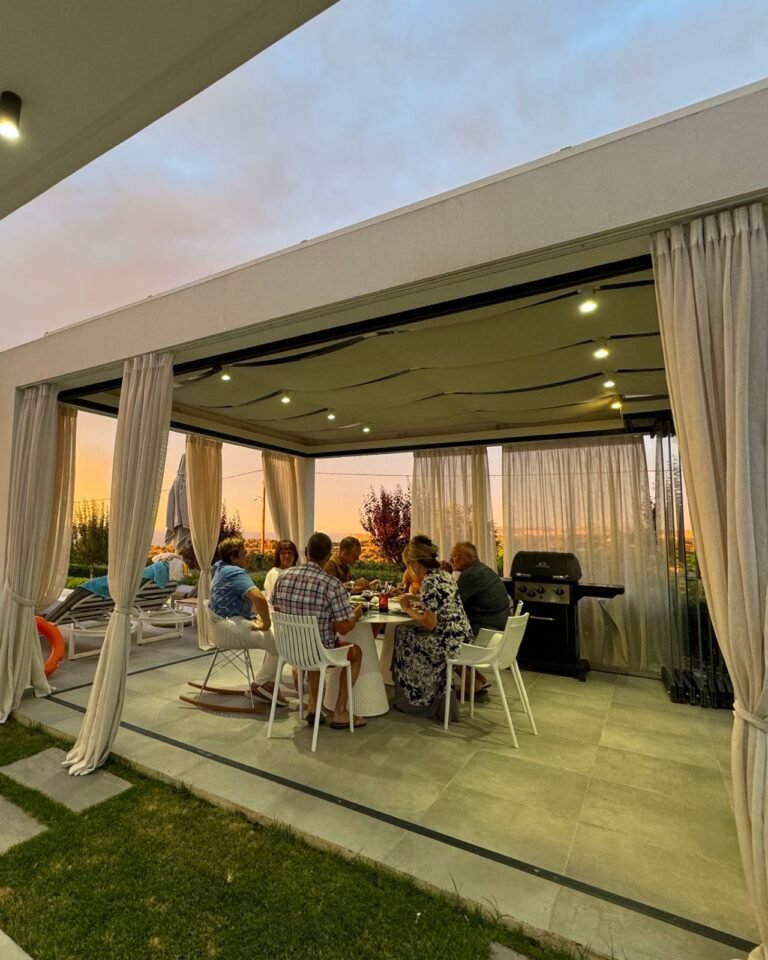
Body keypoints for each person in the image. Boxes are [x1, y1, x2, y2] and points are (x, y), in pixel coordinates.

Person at [272, 531, 367, 730]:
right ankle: (340, 711)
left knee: (313, 646)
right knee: (356, 653)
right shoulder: (331, 584)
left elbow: (278, 610)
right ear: (328, 556)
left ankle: (313, 706)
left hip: (290, 650)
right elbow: (344, 627)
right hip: (320, 652)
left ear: (306, 552)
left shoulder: (283, 577)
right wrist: (356, 614)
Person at [393, 537, 473, 720]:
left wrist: (407, 608)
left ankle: (417, 696)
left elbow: (429, 623)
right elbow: (438, 600)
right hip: (462, 635)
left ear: (415, 563)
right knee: (405, 632)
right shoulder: (444, 575)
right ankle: (420, 690)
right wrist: (410, 598)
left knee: (402, 635)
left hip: (447, 642)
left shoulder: (429, 582)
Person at [209, 536, 288, 707]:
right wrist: (266, 623)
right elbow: (259, 599)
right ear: (234, 557)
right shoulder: (234, 572)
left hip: (222, 625)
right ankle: (261, 684)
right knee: (283, 645)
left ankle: (266, 684)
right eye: (244, 553)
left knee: (276, 641)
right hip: (231, 628)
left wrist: (257, 617)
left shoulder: (220, 569)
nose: (248, 555)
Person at [447, 541, 511, 696]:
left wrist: (443, 576)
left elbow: (449, 602)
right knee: (452, 633)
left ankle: (471, 684)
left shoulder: (471, 575)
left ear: (470, 557)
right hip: (498, 629)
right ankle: (478, 680)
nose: (451, 560)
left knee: (443, 640)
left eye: (456, 556)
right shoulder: (483, 570)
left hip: (486, 632)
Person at [263, 539, 300, 603]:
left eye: (290, 553)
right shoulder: (274, 573)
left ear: (295, 556)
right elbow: (272, 599)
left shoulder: (298, 573)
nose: (287, 556)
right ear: (278, 556)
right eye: (283, 553)